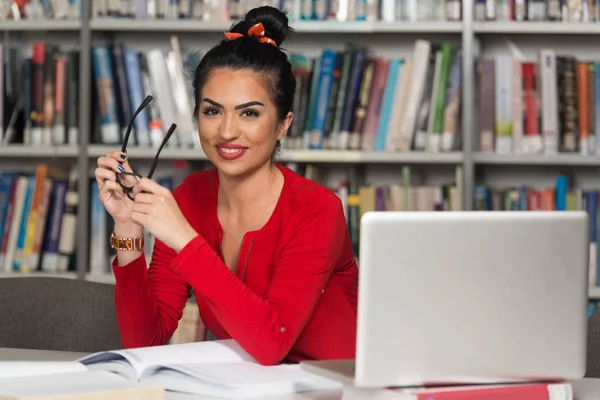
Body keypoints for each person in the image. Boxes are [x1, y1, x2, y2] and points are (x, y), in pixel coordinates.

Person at [94, 5, 358, 366]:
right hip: (243, 385)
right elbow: (145, 340)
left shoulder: (317, 209)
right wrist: (128, 225)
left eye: (249, 113)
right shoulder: (189, 198)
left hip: (332, 387)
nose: (227, 131)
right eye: (212, 111)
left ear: (282, 125)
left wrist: (184, 238)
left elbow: (271, 342)